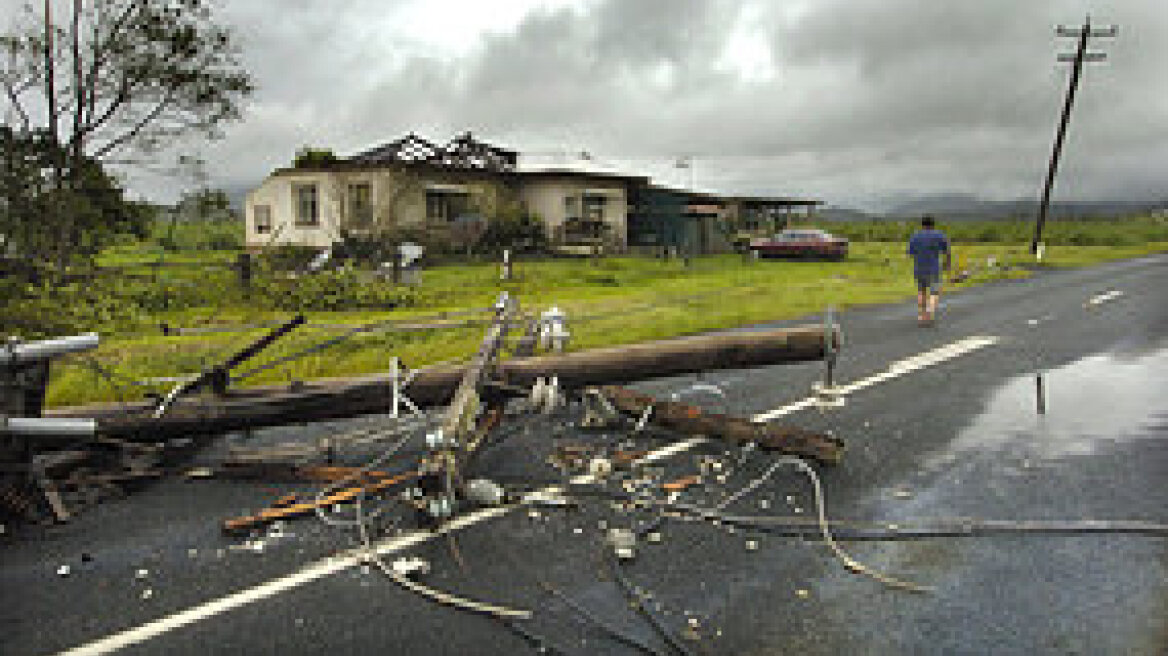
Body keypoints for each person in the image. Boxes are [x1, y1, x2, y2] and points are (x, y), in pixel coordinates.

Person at [907, 215, 951, 323]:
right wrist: (947, 264)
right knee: (934, 292)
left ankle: (922, 315)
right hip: (934, 269)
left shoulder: (915, 236)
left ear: (922, 224)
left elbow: (910, 253)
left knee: (921, 291)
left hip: (919, 268)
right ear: (933, 224)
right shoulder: (940, 235)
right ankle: (929, 314)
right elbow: (947, 252)